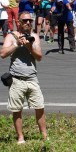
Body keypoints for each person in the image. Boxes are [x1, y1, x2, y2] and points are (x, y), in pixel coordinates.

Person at [0, 11, 47, 144]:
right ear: (18, 22)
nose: (28, 23)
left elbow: (39, 57)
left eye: (30, 21)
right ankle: (20, 138)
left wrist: (29, 47)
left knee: (39, 107)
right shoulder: (11, 36)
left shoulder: (34, 36)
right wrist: (17, 44)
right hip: (16, 79)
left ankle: (44, 136)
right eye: (25, 21)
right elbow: (3, 54)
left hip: (32, 78)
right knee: (17, 110)